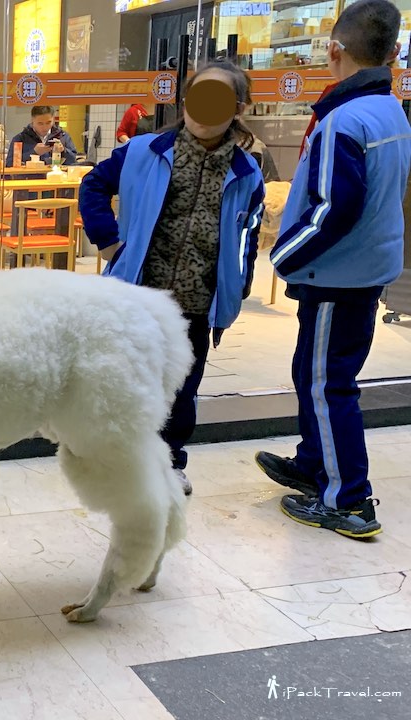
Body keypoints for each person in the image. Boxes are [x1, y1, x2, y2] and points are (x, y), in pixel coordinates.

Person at [255, 0, 411, 539]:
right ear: (392, 53)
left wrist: (282, 255)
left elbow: (332, 211)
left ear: (334, 51)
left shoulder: (345, 120)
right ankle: (314, 465)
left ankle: (348, 500)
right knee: (316, 375)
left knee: (328, 385)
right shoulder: (389, 109)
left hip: (338, 276)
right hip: (365, 269)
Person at [79, 60, 265, 496]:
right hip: (139, 295)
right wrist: (108, 243)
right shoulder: (144, 151)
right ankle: (118, 461)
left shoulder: (246, 174)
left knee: (183, 387)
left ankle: (171, 462)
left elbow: (249, 236)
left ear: (237, 108)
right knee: (125, 381)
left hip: (197, 302)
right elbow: (93, 186)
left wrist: (237, 286)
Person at [5, 105, 78, 167]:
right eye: (40, 123)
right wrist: (34, 152)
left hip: (56, 178)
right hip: (29, 180)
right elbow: (9, 164)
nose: (45, 127)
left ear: (53, 119)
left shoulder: (63, 136)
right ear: (32, 120)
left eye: (48, 122)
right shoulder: (21, 138)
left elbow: (74, 161)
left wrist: (63, 151)